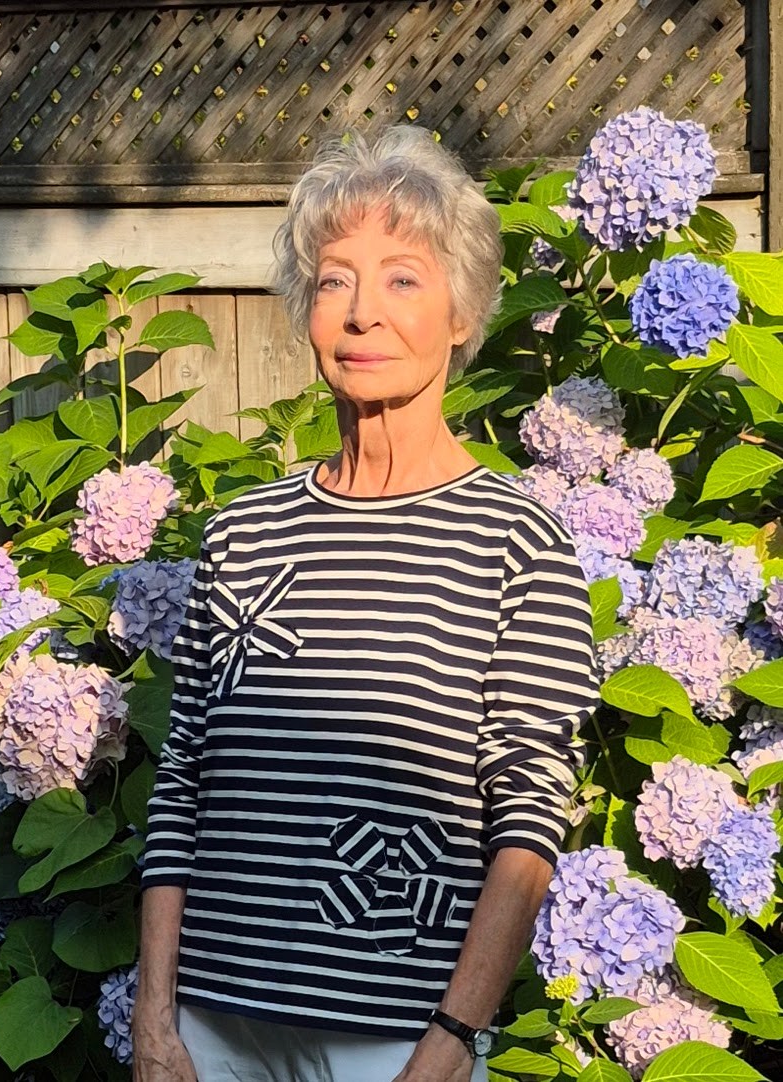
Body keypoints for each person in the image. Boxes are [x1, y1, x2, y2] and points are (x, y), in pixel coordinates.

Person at [132, 124, 599, 1082]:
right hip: (210, 1032)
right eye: (335, 280)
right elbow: (183, 781)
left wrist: (453, 1039)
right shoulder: (243, 533)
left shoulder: (518, 543)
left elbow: (528, 816)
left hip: (396, 1040)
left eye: (402, 280)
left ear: (462, 314)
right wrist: (154, 1015)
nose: (362, 314)